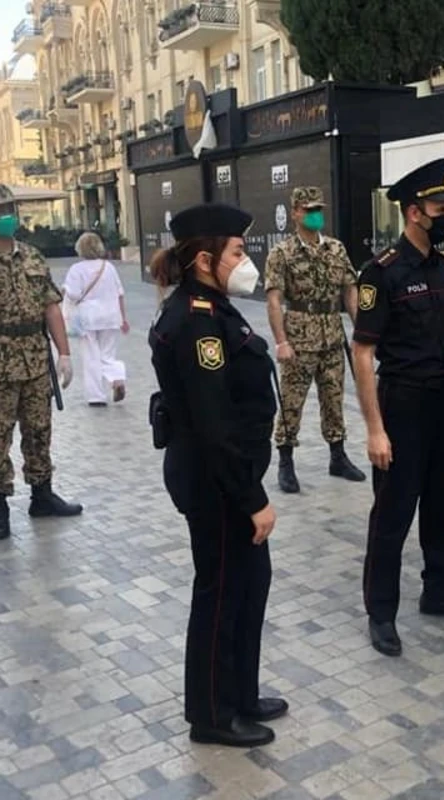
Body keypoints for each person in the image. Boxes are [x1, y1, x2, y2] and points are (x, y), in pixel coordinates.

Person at [149, 203, 285, 748]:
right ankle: (210, 714)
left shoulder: (216, 308)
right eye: (236, 251)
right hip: (217, 481)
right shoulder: (196, 321)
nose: (245, 259)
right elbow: (213, 425)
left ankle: (241, 693)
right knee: (222, 590)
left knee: (251, 584)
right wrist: (253, 499)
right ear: (205, 260)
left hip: (229, 475)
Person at [353, 158, 444, 659]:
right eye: (440, 206)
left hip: (440, 400)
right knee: (392, 514)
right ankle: (381, 612)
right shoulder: (381, 273)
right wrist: (374, 429)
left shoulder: (442, 266)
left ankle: (440, 592)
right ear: (414, 212)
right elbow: (363, 351)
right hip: (402, 402)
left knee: (441, 505)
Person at [0, 183, 82, 541]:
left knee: (39, 430)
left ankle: (42, 495)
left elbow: (51, 306)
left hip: (36, 359)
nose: (9, 215)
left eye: (11, 207)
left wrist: (64, 352)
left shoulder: (33, 257)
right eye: (0, 209)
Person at [264, 185, 366, 493]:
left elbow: (350, 290)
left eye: (318, 210)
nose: (315, 215)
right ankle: (285, 460)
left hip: (332, 335)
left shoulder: (336, 249)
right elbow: (273, 300)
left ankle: (338, 456)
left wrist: (361, 332)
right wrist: (281, 341)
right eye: (308, 210)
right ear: (295, 213)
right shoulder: (282, 252)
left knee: (334, 398)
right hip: (299, 337)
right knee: (292, 402)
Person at [63, 232, 129, 407]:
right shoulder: (109, 267)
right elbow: (120, 294)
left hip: (88, 318)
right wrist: (123, 318)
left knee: (91, 355)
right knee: (108, 353)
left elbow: (74, 293)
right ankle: (116, 378)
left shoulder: (76, 269)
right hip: (111, 315)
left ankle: (96, 396)